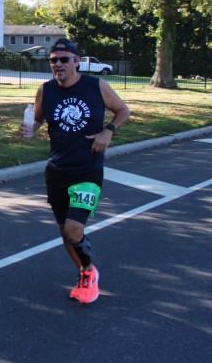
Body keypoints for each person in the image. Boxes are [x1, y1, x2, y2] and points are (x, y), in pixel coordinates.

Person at [20, 38, 130, 304]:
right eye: (53, 60)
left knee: (73, 231)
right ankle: (84, 273)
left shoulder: (96, 86)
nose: (58, 64)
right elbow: (38, 119)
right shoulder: (45, 90)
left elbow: (123, 111)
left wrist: (108, 132)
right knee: (65, 232)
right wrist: (29, 129)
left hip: (87, 170)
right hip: (57, 170)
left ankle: (90, 271)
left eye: (63, 59)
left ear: (77, 61)